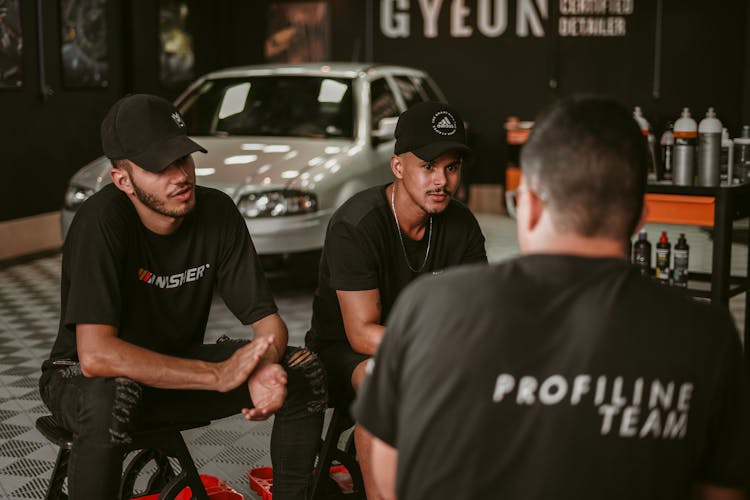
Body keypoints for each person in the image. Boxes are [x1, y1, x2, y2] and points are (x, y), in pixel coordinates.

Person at [354, 96, 750, 500]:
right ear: (640, 217)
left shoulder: (428, 308)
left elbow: (391, 481)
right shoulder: (707, 337)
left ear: (529, 205)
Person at [39, 94, 326, 500]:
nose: (180, 175)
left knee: (304, 370)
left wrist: (267, 361)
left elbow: (268, 323)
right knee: (114, 395)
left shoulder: (218, 212)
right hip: (83, 380)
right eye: (160, 166)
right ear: (123, 180)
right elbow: (96, 355)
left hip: (173, 372)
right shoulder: (100, 223)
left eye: (183, 158)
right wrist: (217, 375)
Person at [305, 100, 487, 498]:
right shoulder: (356, 225)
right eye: (428, 166)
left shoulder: (462, 224)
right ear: (398, 166)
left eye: (451, 167)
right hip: (345, 355)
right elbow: (361, 334)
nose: (441, 180)